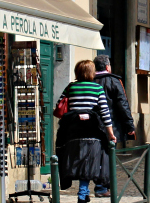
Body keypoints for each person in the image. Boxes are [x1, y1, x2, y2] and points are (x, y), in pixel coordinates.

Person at [57, 60, 116, 203]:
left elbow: (59, 107)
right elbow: (105, 113)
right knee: (89, 162)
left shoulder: (70, 88)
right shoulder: (97, 88)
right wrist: (110, 134)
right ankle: (83, 194)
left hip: (72, 133)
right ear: (92, 72)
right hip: (92, 133)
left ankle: (85, 192)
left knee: (80, 161)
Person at [93, 55, 135, 149]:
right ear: (107, 67)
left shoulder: (90, 80)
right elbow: (122, 104)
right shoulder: (114, 81)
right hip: (111, 126)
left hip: (92, 125)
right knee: (109, 154)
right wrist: (129, 125)